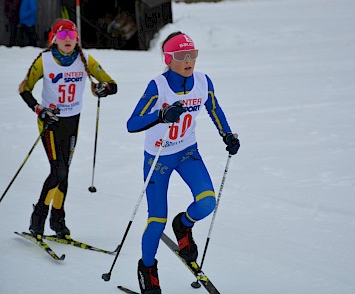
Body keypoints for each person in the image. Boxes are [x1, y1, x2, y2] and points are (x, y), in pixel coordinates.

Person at [126, 31, 240, 294]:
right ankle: (147, 271)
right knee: (156, 219)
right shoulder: (159, 85)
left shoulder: (202, 81)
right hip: (158, 158)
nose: (189, 60)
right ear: (169, 58)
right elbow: (132, 123)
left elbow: (214, 108)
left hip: (188, 152)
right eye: (181, 56)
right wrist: (161, 115)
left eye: (193, 54)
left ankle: (184, 224)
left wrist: (227, 134)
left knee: (208, 202)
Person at [18, 19, 118, 240]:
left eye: (72, 36)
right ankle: (38, 219)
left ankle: (58, 221)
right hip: (51, 122)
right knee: (58, 170)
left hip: (72, 121)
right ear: (54, 39)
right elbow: (25, 89)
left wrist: (104, 88)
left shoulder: (85, 60)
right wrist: (39, 109)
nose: (68, 40)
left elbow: (111, 84)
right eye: (63, 36)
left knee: (65, 173)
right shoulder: (44, 60)